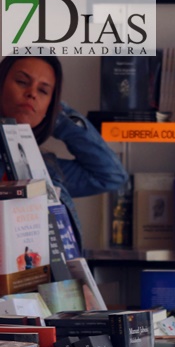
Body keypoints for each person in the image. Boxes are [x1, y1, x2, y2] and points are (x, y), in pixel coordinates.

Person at [0, 56, 129, 246]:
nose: (32, 94)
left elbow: (111, 175)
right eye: (21, 82)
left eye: (43, 91)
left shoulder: (46, 169)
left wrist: (57, 116)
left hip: (45, 274)